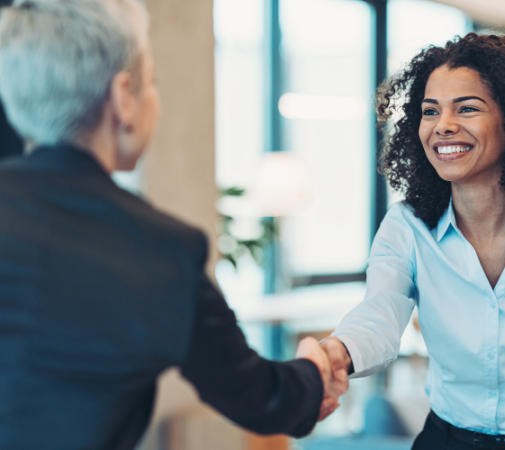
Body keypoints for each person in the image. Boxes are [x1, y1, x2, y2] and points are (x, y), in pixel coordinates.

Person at [0, 1, 347, 449]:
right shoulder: (160, 251)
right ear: (123, 98)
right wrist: (313, 376)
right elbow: (260, 397)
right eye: (153, 82)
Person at [320, 33, 505, 450]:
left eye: (467, 108)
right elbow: (380, 315)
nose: (443, 126)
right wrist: (337, 352)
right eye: (430, 111)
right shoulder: (407, 227)